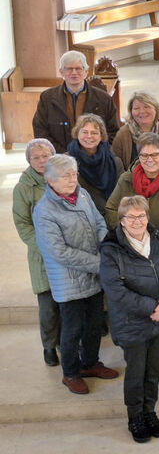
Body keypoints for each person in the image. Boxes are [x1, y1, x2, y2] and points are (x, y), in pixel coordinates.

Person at [105, 132, 159, 368]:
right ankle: (140, 347)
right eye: (144, 155)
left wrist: (158, 239)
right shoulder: (126, 180)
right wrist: (129, 234)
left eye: (154, 154)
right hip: (134, 251)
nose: (149, 160)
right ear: (138, 156)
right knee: (141, 297)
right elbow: (111, 210)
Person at [98, 196, 159, 443]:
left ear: (148, 216)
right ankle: (135, 416)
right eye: (131, 217)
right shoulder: (111, 249)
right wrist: (153, 307)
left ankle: (150, 412)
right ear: (122, 221)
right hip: (132, 322)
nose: (137, 221)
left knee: (154, 370)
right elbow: (115, 291)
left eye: (141, 215)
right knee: (136, 373)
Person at [34, 155, 118, 395]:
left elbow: (99, 223)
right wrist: (99, 263)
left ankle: (90, 363)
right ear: (50, 180)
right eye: (66, 176)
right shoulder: (44, 210)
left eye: (74, 174)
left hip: (93, 276)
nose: (72, 179)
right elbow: (59, 252)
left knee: (94, 324)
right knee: (72, 330)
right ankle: (70, 373)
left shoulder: (83, 195)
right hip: (69, 280)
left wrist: (103, 245)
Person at [12, 138, 61, 367]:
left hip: (67, 253)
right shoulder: (24, 187)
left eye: (46, 156)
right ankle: (49, 346)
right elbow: (23, 223)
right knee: (48, 306)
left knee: (67, 305)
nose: (42, 161)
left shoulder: (62, 178)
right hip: (43, 256)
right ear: (29, 160)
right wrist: (44, 246)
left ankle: (65, 343)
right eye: (36, 157)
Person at [33, 51, 120, 153]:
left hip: (95, 156)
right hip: (60, 157)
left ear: (86, 71)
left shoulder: (104, 98)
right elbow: (40, 131)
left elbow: (113, 132)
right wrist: (65, 154)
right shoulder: (47, 98)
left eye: (78, 68)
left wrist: (92, 152)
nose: (74, 73)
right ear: (61, 72)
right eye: (69, 69)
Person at [68, 113, 124, 214]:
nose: (89, 136)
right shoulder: (66, 162)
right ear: (77, 134)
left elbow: (121, 194)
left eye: (94, 133)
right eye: (85, 132)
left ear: (101, 136)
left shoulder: (115, 162)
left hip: (111, 214)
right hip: (80, 215)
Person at [111, 91, 159, 168]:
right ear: (131, 112)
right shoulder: (123, 134)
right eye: (136, 108)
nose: (142, 111)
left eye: (146, 107)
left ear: (156, 109)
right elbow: (117, 167)